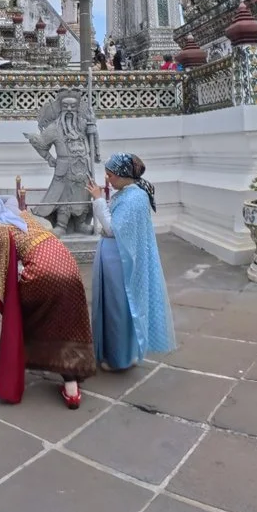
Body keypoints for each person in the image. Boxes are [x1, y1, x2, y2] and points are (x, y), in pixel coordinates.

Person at [0, 185, 96, 409]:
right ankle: (71, 386)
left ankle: (13, 361)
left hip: (40, 274)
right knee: (65, 322)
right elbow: (7, 198)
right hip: (67, 265)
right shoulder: (16, 211)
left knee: (23, 318)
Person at [87, 153, 175, 372]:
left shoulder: (134, 198)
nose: (107, 179)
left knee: (119, 308)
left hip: (120, 263)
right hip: (115, 259)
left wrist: (98, 200)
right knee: (116, 306)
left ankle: (120, 357)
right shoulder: (128, 193)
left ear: (124, 174)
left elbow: (112, 229)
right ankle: (117, 353)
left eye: (110, 174)